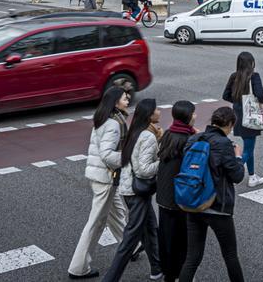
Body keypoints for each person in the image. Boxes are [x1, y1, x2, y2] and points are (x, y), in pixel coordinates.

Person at [178, 106, 248, 282]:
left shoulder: (193, 139)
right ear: (230, 124)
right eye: (232, 126)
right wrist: (238, 157)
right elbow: (237, 176)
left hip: (194, 203)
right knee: (230, 255)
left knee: (192, 258)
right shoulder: (224, 144)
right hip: (218, 207)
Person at [69, 86, 131, 279]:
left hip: (101, 176)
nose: (128, 99)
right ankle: (78, 268)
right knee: (96, 223)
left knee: (117, 213)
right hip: (105, 177)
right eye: (124, 97)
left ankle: (131, 246)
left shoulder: (104, 118)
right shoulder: (113, 123)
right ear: (115, 102)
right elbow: (106, 155)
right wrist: (127, 158)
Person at [103, 98, 163, 282]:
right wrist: (163, 163)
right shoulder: (148, 136)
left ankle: (157, 269)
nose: (159, 111)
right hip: (137, 192)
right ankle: (110, 279)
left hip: (129, 190)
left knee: (151, 228)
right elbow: (144, 169)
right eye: (156, 109)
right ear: (150, 114)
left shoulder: (135, 132)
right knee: (129, 240)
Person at [156, 100, 196, 282]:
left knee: (166, 237)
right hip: (179, 197)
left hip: (163, 195)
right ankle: (179, 274)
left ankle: (167, 272)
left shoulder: (168, 134)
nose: (195, 116)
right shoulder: (188, 140)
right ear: (187, 117)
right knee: (182, 239)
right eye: (193, 113)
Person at [222, 51, 263, 187]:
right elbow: (260, 94)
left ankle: (252, 176)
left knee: (249, 146)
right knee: (248, 149)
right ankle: (232, 172)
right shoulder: (254, 76)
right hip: (251, 115)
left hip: (238, 115)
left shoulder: (234, 76)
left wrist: (237, 102)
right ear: (251, 63)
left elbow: (225, 95)